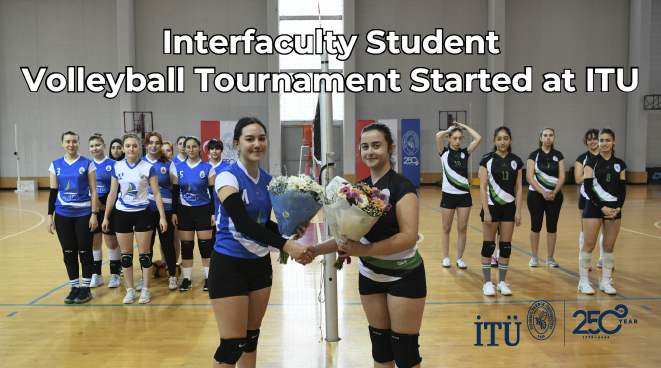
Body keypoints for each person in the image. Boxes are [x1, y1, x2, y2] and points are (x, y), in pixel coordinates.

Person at [311, 122, 425, 368]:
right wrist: (316, 250)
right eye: (365, 147)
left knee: (405, 352)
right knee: (381, 349)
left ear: (391, 148)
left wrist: (363, 251)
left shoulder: (402, 187)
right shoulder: (357, 190)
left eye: (377, 146)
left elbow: (408, 236)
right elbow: (347, 236)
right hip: (370, 276)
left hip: (404, 275)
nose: (370, 152)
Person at [209, 117, 312, 367]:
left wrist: (289, 232)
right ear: (236, 144)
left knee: (250, 339)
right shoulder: (226, 177)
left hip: (259, 265)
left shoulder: (268, 180)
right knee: (232, 344)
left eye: (261, 138)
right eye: (250, 139)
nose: (257, 144)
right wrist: (288, 246)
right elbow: (244, 224)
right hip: (228, 266)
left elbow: (263, 223)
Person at [102, 133, 167, 304]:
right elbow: (112, 194)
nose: (131, 149)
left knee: (145, 255)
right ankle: (130, 290)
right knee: (126, 256)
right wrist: (106, 217)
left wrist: (162, 217)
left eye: (134, 146)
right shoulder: (117, 167)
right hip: (122, 214)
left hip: (142, 214)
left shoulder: (147, 168)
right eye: (128, 146)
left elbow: (157, 194)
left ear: (139, 148)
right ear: (123, 149)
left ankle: (146, 289)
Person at [46, 130, 98, 304]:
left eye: (74, 141)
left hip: (83, 214)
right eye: (67, 141)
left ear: (78, 143)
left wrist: (94, 214)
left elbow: (94, 191)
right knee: (68, 252)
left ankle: (86, 288)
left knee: (85, 251)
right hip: (63, 215)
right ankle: (74, 287)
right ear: (62, 143)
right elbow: (53, 192)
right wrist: (49, 216)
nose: (71, 144)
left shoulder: (88, 163)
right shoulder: (55, 165)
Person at [577, 128, 626, 295]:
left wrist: (618, 207)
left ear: (614, 142)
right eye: (601, 140)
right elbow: (589, 189)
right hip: (594, 207)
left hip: (614, 209)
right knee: (588, 246)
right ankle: (583, 282)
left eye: (607, 140)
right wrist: (603, 207)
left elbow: (623, 189)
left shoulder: (620, 164)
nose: (604, 143)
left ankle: (605, 282)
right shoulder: (591, 162)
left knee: (609, 246)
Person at [479, 126, 523, 296]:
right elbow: (482, 188)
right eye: (499, 139)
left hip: (509, 209)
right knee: (488, 246)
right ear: (494, 141)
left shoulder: (516, 161)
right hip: (492, 208)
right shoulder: (487, 159)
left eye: (505, 138)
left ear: (510, 140)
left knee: (505, 247)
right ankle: (487, 283)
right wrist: (487, 211)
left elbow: (519, 188)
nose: (502, 142)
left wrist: (518, 211)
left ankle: (502, 282)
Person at [172, 136, 217, 291]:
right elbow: (175, 192)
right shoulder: (178, 167)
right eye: (188, 147)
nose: (191, 149)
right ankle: (187, 279)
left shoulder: (207, 167)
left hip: (203, 210)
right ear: (184, 148)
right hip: (184, 210)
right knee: (186, 246)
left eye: (194, 146)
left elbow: (213, 193)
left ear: (199, 148)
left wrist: (213, 213)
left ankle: (209, 278)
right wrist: (174, 213)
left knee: (205, 247)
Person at [436, 121, 481, 269]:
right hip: (448, 195)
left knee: (462, 228)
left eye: (460, 138)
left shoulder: (465, 153)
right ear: (448, 139)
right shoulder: (444, 152)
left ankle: (460, 258)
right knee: (446, 228)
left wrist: (465, 127)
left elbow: (478, 138)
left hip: (464, 196)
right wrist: (448, 130)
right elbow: (437, 136)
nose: (457, 141)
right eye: (454, 138)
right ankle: (446, 258)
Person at [142, 132, 179, 291]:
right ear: (146, 144)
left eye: (157, 142)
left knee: (167, 243)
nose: (154, 145)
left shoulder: (168, 163)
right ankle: (144, 279)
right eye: (151, 142)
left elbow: (175, 189)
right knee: (146, 246)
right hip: (145, 210)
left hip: (166, 209)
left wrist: (175, 211)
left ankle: (172, 276)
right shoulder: (140, 163)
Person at [526, 127, 565, 268]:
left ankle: (550, 257)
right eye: (545, 135)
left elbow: (562, 176)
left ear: (554, 138)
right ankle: (534, 257)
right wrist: (543, 193)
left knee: (552, 226)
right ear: (540, 138)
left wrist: (554, 192)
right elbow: (529, 177)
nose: (548, 138)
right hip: (536, 195)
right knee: (536, 226)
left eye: (551, 135)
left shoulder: (558, 155)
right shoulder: (534, 155)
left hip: (555, 196)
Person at [88, 133, 121, 288]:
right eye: (92, 146)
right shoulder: (87, 165)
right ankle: (97, 275)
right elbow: (86, 187)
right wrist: (95, 203)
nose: (95, 148)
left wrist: (106, 203)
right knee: (95, 244)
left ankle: (115, 274)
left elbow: (117, 187)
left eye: (98, 145)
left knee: (111, 243)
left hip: (110, 209)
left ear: (104, 146)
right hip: (93, 209)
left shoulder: (114, 164)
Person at [575, 129, 605, 271]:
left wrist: (589, 176)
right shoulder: (582, 158)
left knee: (606, 229)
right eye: (589, 139)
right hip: (585, 197)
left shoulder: (606, 157)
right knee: (585, 230)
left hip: (605, 197)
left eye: (594, 138)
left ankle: (603, 258)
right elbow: (578, 178)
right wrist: (596, 177)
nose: (592, 141)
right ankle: (585, 259)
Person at [164, 140, 182, 265]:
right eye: (163, 151)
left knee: (175, 236)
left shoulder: (175, 166)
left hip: (176, 205)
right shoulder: (158, 166)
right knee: (163, 238)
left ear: (172, 152)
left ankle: (175, 263)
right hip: (163, 206)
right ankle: (165, 262)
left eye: (168, 150)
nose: (166, 153)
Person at [209, 138, 230, 241]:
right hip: (208, 206)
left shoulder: (228, 167)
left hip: (223, 206)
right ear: (208, 150)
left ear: (221, 150)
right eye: (212, 148)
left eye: (217, 148)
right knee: (209, 237)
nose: (214, 151)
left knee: (223, 235)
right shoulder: (204, 166)